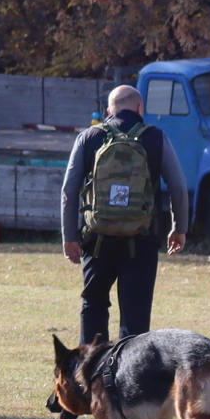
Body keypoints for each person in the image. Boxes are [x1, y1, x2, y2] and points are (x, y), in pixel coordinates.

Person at [60, 85, 188, 344]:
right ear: (140, 109)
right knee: (136, 318)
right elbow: (178, 187)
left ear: (109, 110)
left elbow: (68, 190)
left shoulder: (89, 137)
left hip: (97, 240)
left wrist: (69, 236)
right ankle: (130, 381)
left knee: (94, 305)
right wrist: (179, 227)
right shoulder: (156, 137)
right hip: (142, 239)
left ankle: (92, 376)